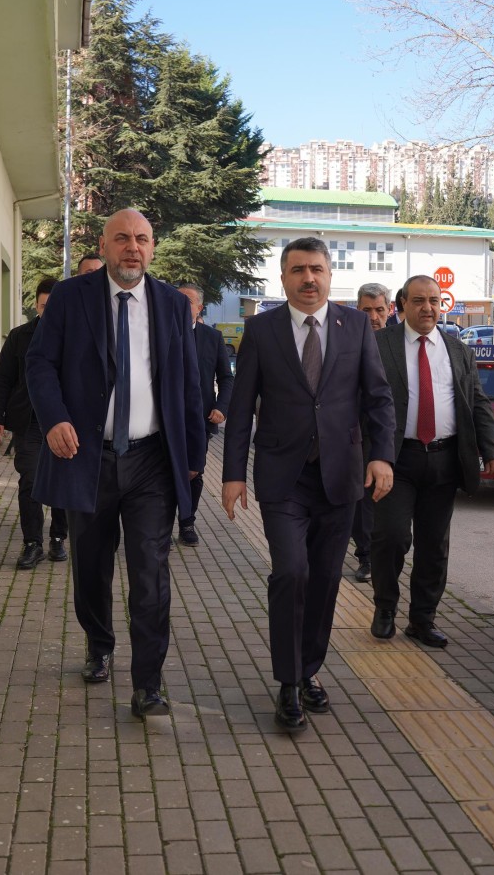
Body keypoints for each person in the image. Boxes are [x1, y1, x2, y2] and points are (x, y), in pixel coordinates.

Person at [26, 208, 205, 720]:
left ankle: (148, 683)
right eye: (122, 238)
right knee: (91, 565)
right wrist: (55, 418)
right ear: (103, 246)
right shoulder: (69, 297)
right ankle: (99, 644)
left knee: (150, 573)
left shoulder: (172, 304)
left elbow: (188, 382)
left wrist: (193, 457)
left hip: (150, 458)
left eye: (143, 239)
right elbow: (39, 363)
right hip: (88, 456)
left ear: (153, 247)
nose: (133, 248)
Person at [222, 237, 395, 733]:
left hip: (341, 477)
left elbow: (378, 398)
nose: (308, 278)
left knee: (324, 580)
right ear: (283, 278)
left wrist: (382, 457)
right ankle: (289, 683)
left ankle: (309, 670)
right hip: (284, 478)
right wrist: (233, 474)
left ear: (329, 274)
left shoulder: (355, 324)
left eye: (316, 269)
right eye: (297, 270)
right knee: (290, 573)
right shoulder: (261, 330)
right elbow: (240, 409)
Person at [369, 275, 494, 648]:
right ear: (402, 306)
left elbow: (477, 401)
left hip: (443, 460)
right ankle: (384, 607)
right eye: (419, 300)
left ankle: (422, 619)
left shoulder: (458, 350)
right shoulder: (379, 346)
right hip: (395, 460)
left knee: (433, 545)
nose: (428, 308)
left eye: (435, 300)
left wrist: (492, 450)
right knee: (391, 538)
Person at [0, 279, 69, 568]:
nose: (49, 311)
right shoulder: (19, 336)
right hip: (29, 422)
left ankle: (58, 537)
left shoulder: (74, 336)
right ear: (36, 305)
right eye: (44, 306)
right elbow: (3, 379)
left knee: (62, 481)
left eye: (54, 306)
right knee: (31, 481)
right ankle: (32, 542)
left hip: (64, 423)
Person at [177, 283, 234, 546]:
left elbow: (226, 377)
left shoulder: (212, 338)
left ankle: (187, 522)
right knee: (162, 473)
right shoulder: (158, 333)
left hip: (200, 420)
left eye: (187, 300)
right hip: (164, 420)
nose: (181, 304)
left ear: (199, 307)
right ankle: (161, 523)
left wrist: (221, 407)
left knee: (193, 472)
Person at [350, 282, 392, 582]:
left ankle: (386, 555)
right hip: (358, 433)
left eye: (379, 310)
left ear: (390, 310)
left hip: (395, 433)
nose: (374, 316)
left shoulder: (399, 343)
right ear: (358, 310)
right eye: (367, 310)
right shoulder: (348, 341)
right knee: (363, 498)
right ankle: (366, 556)